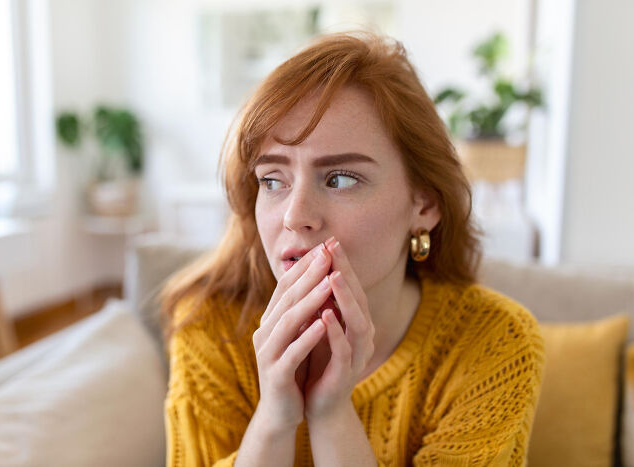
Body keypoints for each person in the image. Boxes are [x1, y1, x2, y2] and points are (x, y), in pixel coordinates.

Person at [160, 31, 544, 466]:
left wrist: (331, 415)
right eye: (272, 180)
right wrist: (274, 420)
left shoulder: (495, 342)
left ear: (426, 203)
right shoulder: (208, 325)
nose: (294, 215)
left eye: (340, 178)